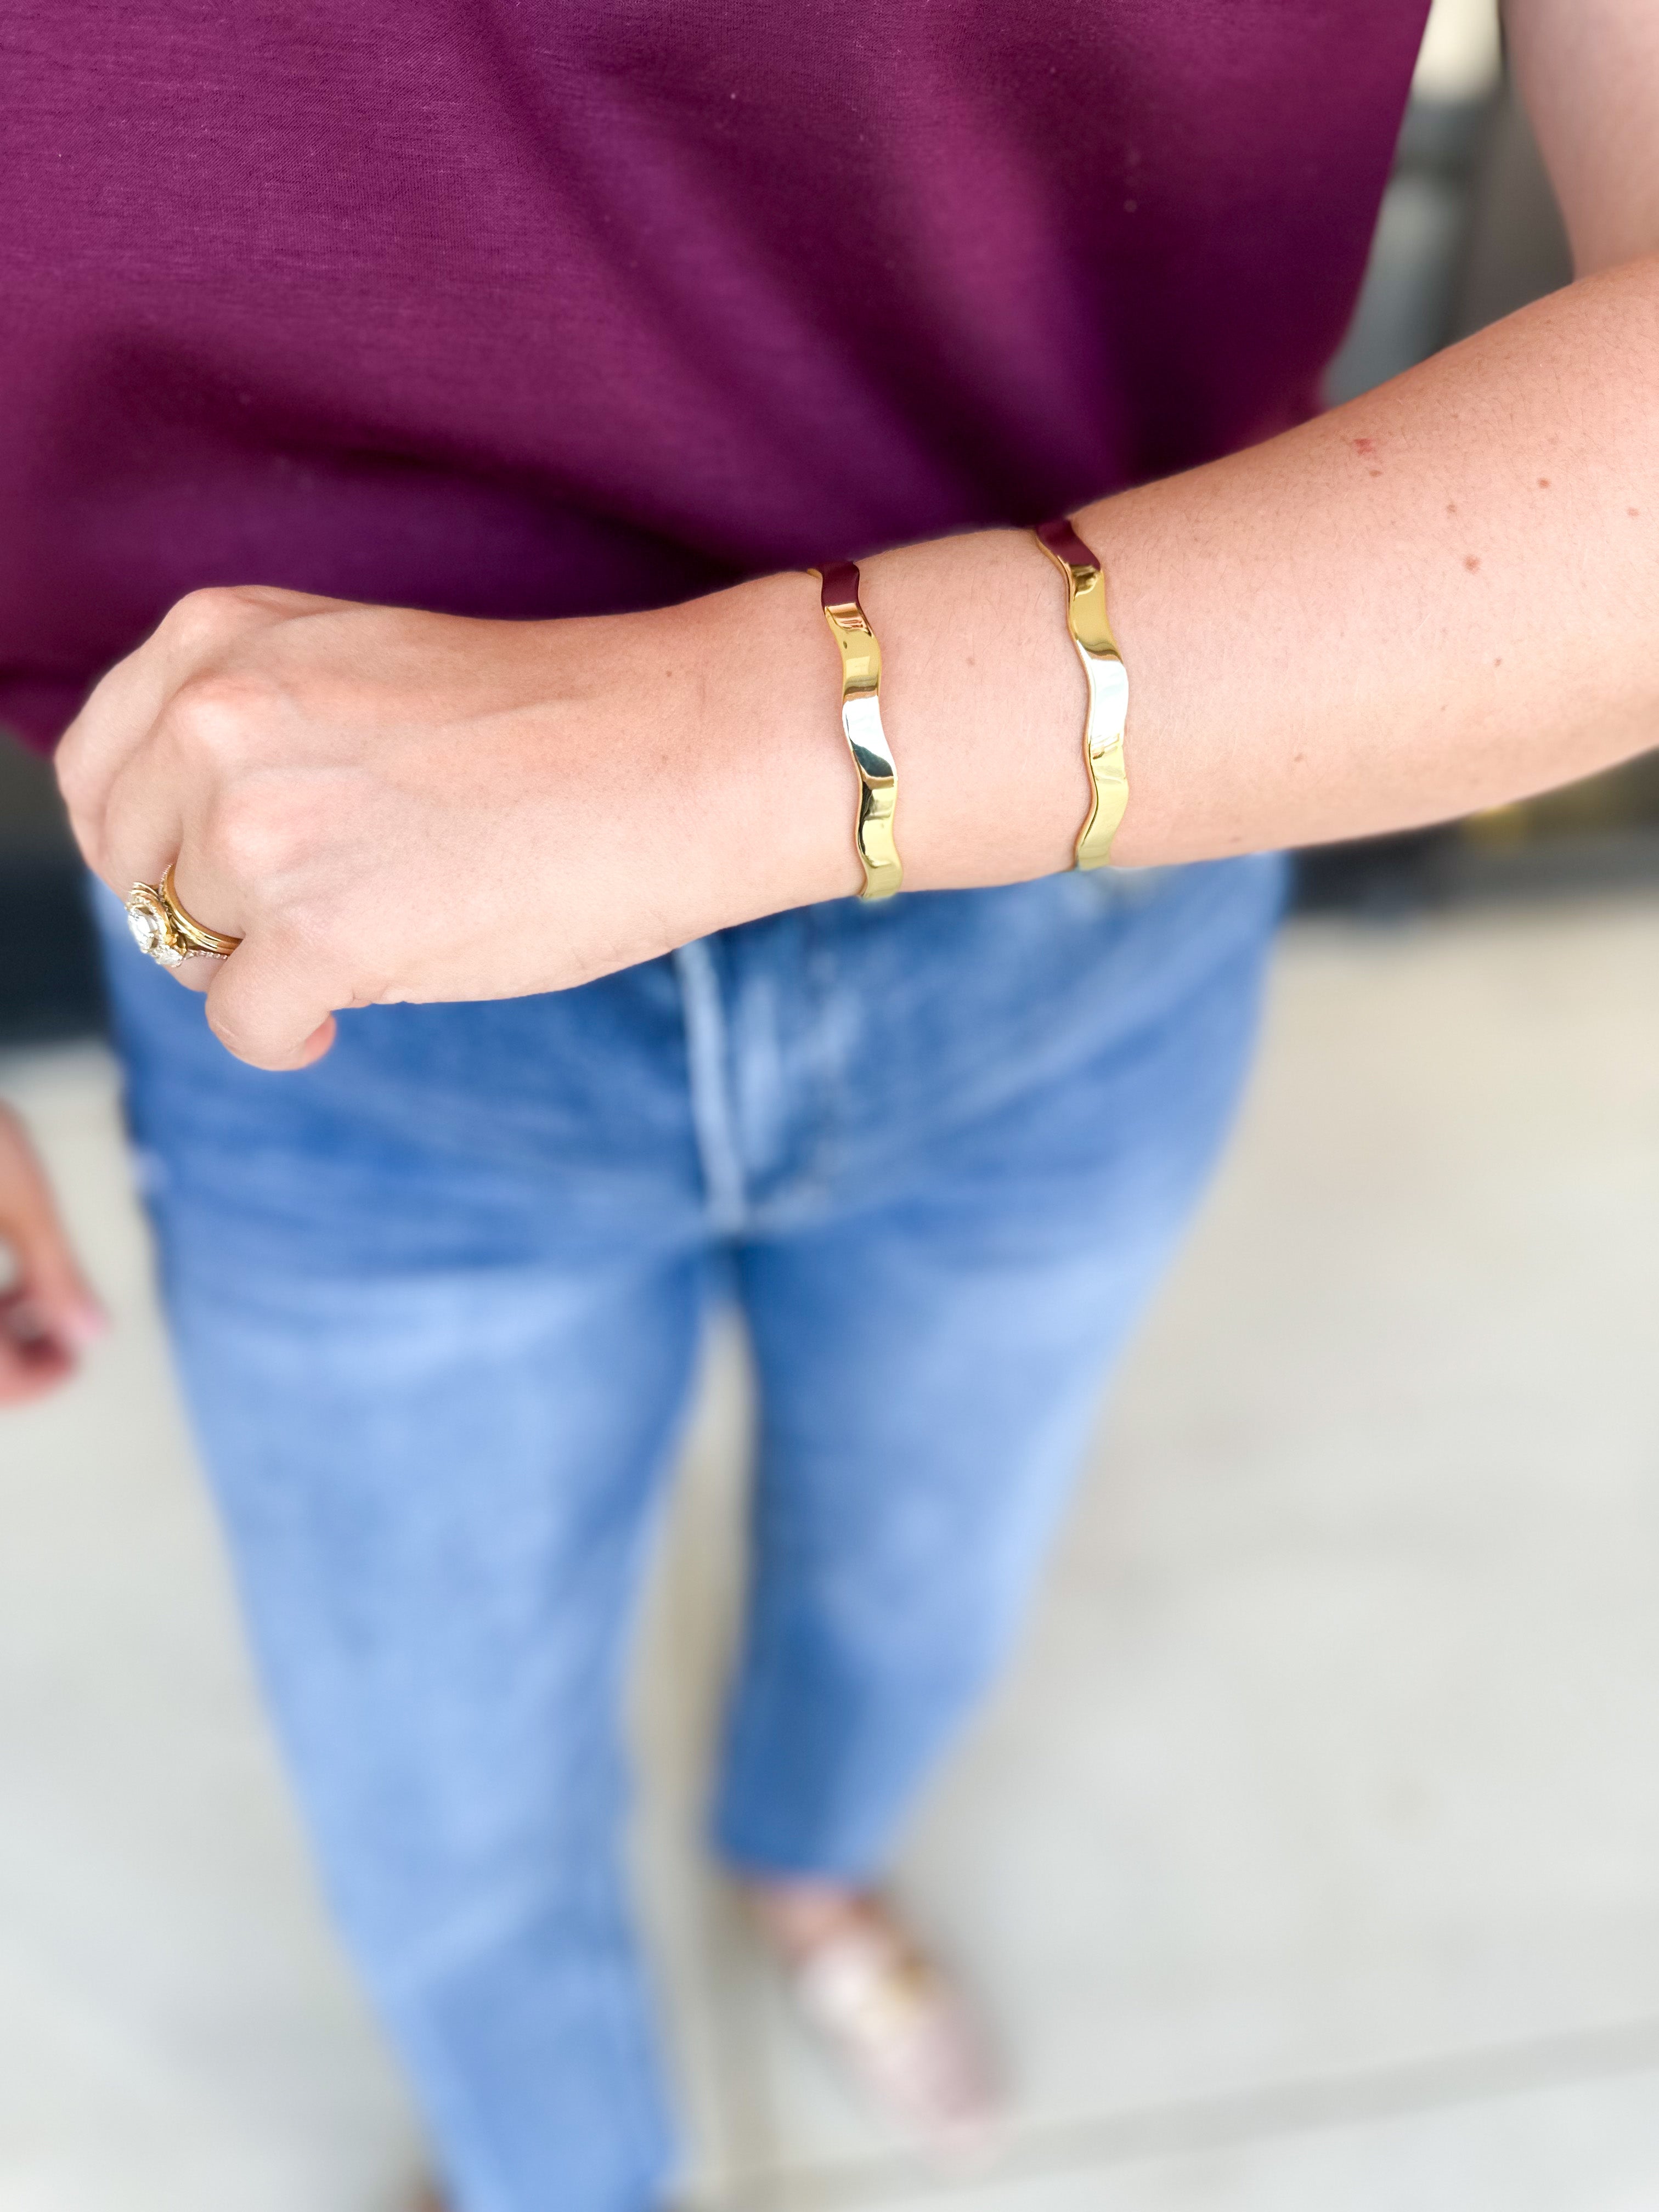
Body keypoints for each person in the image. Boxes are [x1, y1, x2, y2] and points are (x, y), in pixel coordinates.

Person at [3, 1, 1656, 2205]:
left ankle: (803, 1863)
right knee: (433, 1787)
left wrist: (736, 741)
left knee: (919, 1589)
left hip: (1089, 867)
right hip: (292, 929)